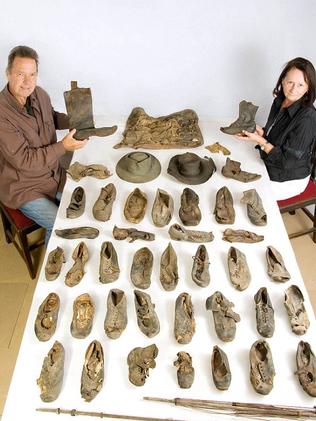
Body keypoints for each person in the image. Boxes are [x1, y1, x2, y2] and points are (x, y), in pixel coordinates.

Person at [0, 45, 88, 245]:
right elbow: (25, 160)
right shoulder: (1, 114)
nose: (27, 82)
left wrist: (77, 121)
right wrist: (63, 146)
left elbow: (52, 118)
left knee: (81, 204)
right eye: (20, 74)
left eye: (32, 74)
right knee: (60, 224)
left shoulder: (40, 94)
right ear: (8, 74)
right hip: (23, 186)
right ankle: (52, 269)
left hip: (52, 174)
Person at [235, 57, 316, 201]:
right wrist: (262, 133)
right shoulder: (280, 100)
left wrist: (261, 141)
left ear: (308, 88)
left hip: (288, 179)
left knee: (238, 190)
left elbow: (286, 162)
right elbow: (277, 136)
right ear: (283, 80)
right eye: (290, 82)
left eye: (300, 85)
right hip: (270, 162)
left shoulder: (307, 118)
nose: (293, 89)